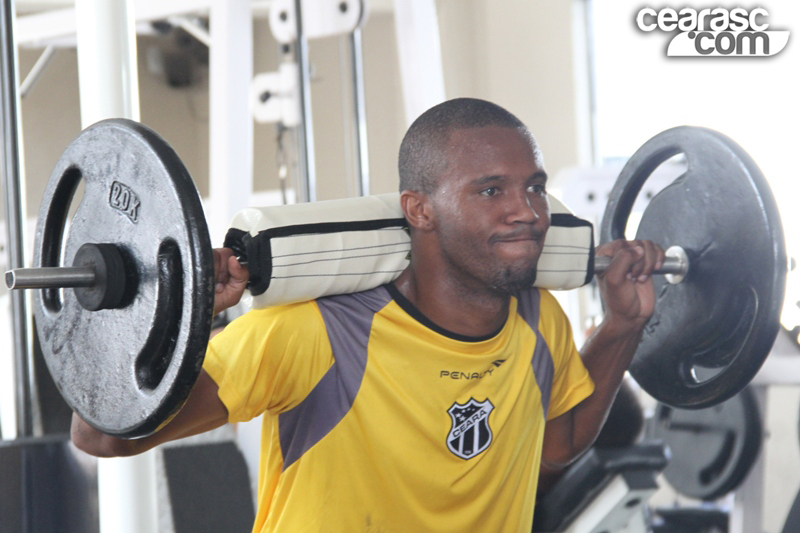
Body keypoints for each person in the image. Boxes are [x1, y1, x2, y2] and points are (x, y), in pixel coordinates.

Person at [72, 98, 664, 532]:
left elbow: (557, 442)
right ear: (419, 210)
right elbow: (102, 436)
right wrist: (182, 310)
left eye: (533, 188)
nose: (528, 213)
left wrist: (622, 326)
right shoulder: (315, 331)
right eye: (491, 191)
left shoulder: (539, 323)